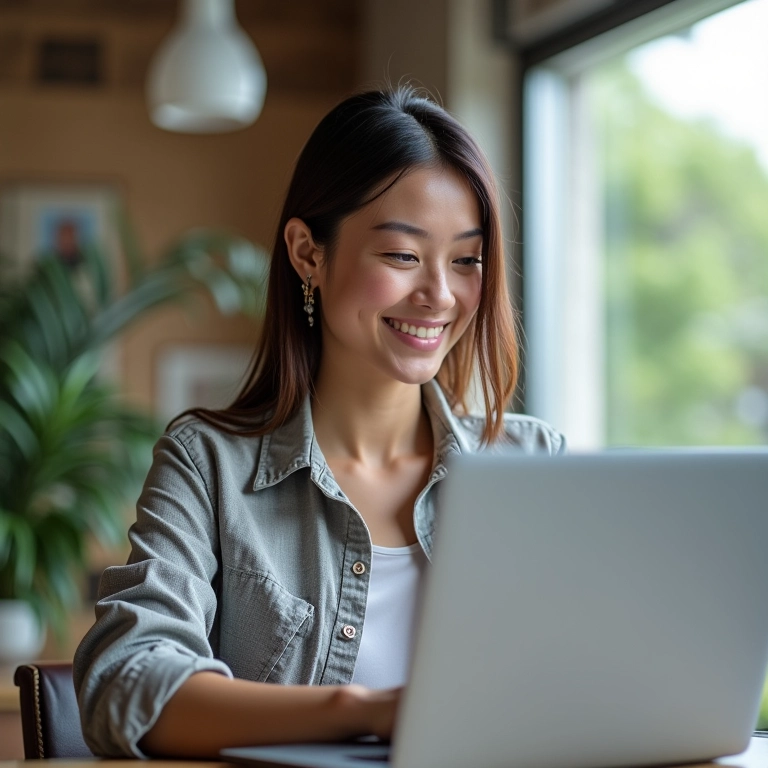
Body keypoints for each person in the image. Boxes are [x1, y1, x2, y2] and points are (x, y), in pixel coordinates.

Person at [73, 86, 565, 758]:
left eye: (466, 260)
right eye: (401, 255)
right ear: (308, 253)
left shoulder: (532, 458)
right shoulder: (208, 464)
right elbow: (128, 686)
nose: (441, 295)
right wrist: (367, 710)